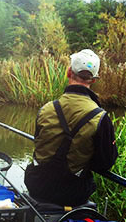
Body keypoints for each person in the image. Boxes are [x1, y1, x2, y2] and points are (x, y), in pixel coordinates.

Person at [24, 49, 118, 207]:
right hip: (72, 193)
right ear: (94, 80)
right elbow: (105, 163)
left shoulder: (45, 109)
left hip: (37, 186)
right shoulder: (100, 117)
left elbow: (38, 143)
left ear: (68, 72)